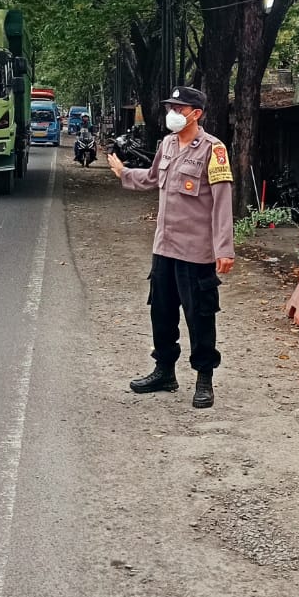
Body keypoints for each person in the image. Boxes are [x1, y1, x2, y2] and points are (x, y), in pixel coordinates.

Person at [108, 86, 234, 408]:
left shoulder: (213, 149)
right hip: (164, 247)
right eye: (170, 108)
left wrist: (224, 248)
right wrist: (124, 174)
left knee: (200, 317)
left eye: (179, 108)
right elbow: (153, 178)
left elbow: (222, 201)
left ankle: (204, 378)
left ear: (196, 113)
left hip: (196, 252)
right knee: (161, 313)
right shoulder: (166, 144)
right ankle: (165, 371)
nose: (173, 113)